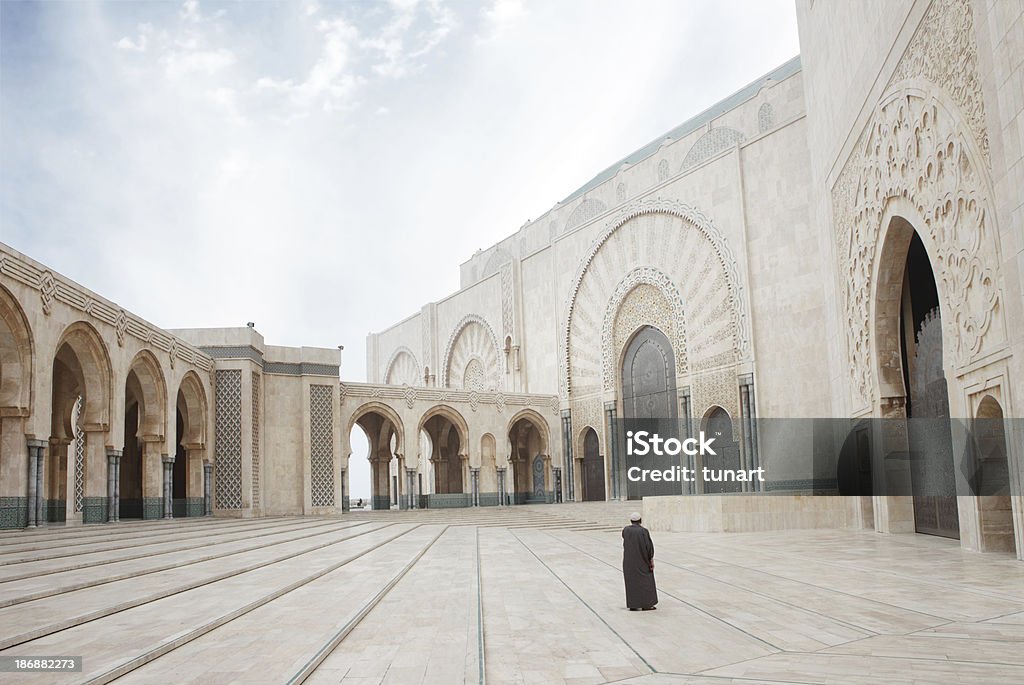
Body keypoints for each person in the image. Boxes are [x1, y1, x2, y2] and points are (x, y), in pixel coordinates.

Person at [622, 511, 658, 611]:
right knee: (646, 582)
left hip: (629, 562)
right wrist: (651, 559)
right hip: (642, 561)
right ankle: (646, 604)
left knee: (632, 582)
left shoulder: (626, 530)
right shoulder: (643, 531)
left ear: (631, 521)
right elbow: (649, 547)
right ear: (640, 520)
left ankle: (633, 604)